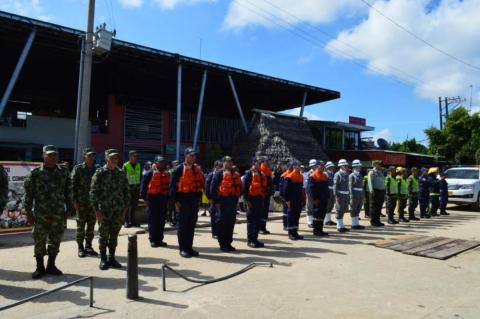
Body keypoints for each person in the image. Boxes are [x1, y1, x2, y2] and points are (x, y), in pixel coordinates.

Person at [23, 145, 71, 279]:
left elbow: (69, 192)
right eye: (50, 155)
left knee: (55, 240)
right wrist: (28, 213)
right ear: (43, 156)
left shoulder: (63, 172)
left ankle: (51, 265)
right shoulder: (36, 173)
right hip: (41, 214)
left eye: (55, 155)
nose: (53, 157)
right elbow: (28, 195)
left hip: (58, 214)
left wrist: (69, 209)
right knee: (39, 240)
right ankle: (40, 267)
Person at [90, 149, 130, 270]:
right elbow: (93, 192)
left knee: (114, 235)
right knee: (103, 235)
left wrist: (125, 210)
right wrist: (97, 211)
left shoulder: (121, 173)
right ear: (106, 159)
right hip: (104, 211)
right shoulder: (100, 172)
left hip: (117, 210)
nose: (114, 160)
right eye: (112, 158)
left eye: (116, 158)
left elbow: (126, 192)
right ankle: (103, 259)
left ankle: (111, 257)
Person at [169, 147, 205, 258]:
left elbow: (200, 185)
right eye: (191, 155)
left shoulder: (196, 169)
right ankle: (183, 248)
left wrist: (198, 199)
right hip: (182, 201)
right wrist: (175, 201)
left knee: (191, 225)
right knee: (183, 225)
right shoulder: (179, 169)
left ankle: (189, 247)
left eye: (194, 155)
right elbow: (172, 187)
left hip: (193, 201)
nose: (193, 157)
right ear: (186, 156)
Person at [71, 148, 99, 258]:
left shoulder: (97, 169)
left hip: (92, 204)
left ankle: (88, 246)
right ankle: (80, 247)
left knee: (91, 226)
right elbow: (72, 186)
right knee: (81, 226)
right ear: (84, 157)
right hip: (81, 203)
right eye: (89, 156)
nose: (92, 158)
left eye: (93, 156)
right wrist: (74, 202)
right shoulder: (78, 169)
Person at [210, 156, 239, 252]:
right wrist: (216, 202)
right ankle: (223, 244)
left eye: (231, 162)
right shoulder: (218, 173)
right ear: (223, 162)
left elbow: (238, 187)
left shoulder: (234, 174)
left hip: (232, 202)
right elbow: (213, 189)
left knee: (230, 223)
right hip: (222, 202)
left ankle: (228, 243)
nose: (229, 163)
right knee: (222, 224)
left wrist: (236, 199)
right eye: (227, 162)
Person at [140, 155, 170, 248]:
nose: (162, 163)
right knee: (153, 220)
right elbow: (143, 188)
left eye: (163, 162)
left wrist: (168, 199)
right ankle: (153, 240)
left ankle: (160, 239)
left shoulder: (166, 173)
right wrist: (145, 199)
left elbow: (169, 187)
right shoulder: (149, 173)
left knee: (161, 220)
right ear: (155, 163)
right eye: (160, 162)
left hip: (163, 199)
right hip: (152, 199)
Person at [243, 157, 267, 248]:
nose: (259, 164)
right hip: (251, 199)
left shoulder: (261, 174)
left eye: (260, 163)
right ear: (253, 163)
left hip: (259, 199)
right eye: (257, 162)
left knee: (257, 220)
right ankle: (250, 240)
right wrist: (247, 201)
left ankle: (255, 239)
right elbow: (245, 188)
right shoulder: (249, 173)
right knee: (251, 220)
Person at [282, 160, 305, 240]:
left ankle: (295, 232)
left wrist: (302, 199)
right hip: (291, 200)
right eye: (297, 165)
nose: (299, 167)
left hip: (298, 199)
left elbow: (301, 189)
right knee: (291, 216)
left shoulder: (301, 176)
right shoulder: (289, 176)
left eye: (299, 165)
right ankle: (291, 233)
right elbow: (286, 189)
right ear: (294, 166)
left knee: (297, 216)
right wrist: (287, 200)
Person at [306, 160, 330, 236]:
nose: (323, 167)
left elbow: (326, 187)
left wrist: (328, 196)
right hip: (317, 200)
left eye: (324, 166)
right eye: (322, 166)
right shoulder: (313, 176)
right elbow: (311, 189)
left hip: (324, 199)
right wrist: (315, 199)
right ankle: (316, 231)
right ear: (317, 166)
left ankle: (320, 230)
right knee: (317, 215)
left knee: (322, 215)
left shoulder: (324, 175)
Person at [123, 150, 142, 227]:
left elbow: (140, 176)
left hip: (136, 188)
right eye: (134, 156)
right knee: (127, 205)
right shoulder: (125, 165)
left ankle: (133, 221)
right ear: (130, 156)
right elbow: (123, 178)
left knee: (134, 206)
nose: (135, 157)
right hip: (128, 188)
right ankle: (126, 221)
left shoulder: (138, 165)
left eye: (136, 156)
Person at [205, 160, 222, 238]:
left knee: (220, 216)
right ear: (215, 166)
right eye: (219, 166)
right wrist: (209, 198)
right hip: (213, 200)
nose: (221, 167)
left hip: (221, 199)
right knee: (214, 216)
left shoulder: (222, 175)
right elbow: (207, 187)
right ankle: (214, 233)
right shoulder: (211, 175)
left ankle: (219, 232)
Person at [333, 159, 351, 232]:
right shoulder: (337, 174)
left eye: (347, 165)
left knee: (343, 209)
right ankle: (339, 226)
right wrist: (336, 196)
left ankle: (342, 225)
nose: (346, 167)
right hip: (340, 194)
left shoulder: (347, 174)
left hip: (346, 194)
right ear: (341, 166)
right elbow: (335, 186)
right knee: (339, 210)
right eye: (345, 165)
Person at [367, 160, 385, 227]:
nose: (380, 165)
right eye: (378, 164)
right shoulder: (372, 172)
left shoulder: (380, 172)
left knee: (379, 207)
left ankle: (378, 221)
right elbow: (369, 182)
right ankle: (373, 221)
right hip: (375, 191)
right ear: (374, 165)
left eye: (380, 164)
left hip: (381, 191)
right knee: (374, 207)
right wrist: (371, 191)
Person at [349, 159, 366, 230]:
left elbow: (362, 186)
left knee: (358, 209)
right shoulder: (352, 175)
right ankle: (353, 224)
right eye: (359, 166)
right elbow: (350, 186)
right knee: (354, 209)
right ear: (355, 166)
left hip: (360, 194)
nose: (360, 167)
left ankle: (357, 224)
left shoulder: (360, 175)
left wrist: (363, 195)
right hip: (355, 194)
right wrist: (352, 196)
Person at [259, 156, 274, 234]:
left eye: (269, 160)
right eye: (267, 161)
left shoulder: (268, 170)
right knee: (261, 210)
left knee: (265, 211)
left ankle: (263, 227)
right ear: (263, 161)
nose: (269, 162)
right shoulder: (260, 170)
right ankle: (260, 228)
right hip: (262, 193)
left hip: (267, 193)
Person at [279, 162, 293, 230]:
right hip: (285, 196)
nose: (292, 167)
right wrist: (283, 197)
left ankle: (290, 224)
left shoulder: (294, 174)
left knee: (290, 211)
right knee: (286, 211)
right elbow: (281, 187)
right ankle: (285, 225)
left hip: (292, 195)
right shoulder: (284, 175)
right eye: (290, 166)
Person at [305, 159, 317, 229]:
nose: (315, 167)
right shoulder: (309, 174)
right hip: (310, 192)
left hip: (316, 192)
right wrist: (308, 194)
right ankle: (310, 222)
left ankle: (313, 221)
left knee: (315, 207)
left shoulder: (318, 173)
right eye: (314, 165)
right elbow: (307, 185)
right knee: (309, 207)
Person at [167, 160, 179, 226]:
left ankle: (175, 220)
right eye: (175, 164)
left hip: (177, 191)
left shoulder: (179, 171)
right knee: (170, 207)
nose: (177, 165)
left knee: (175, 207)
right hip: (171, 191)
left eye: (177, 164)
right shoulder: (170, 171)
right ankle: (170, 220)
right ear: (173, 164)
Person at [324, 161, 337, 226]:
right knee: (327, 205)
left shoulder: (333, 173)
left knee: (331, 205)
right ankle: (326, 220)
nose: (332, 167)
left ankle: (329, 220)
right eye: (331, 166)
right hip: (328, 190)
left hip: (332, 190)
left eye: (332, 166)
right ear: (328, 167)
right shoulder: (325, 174)